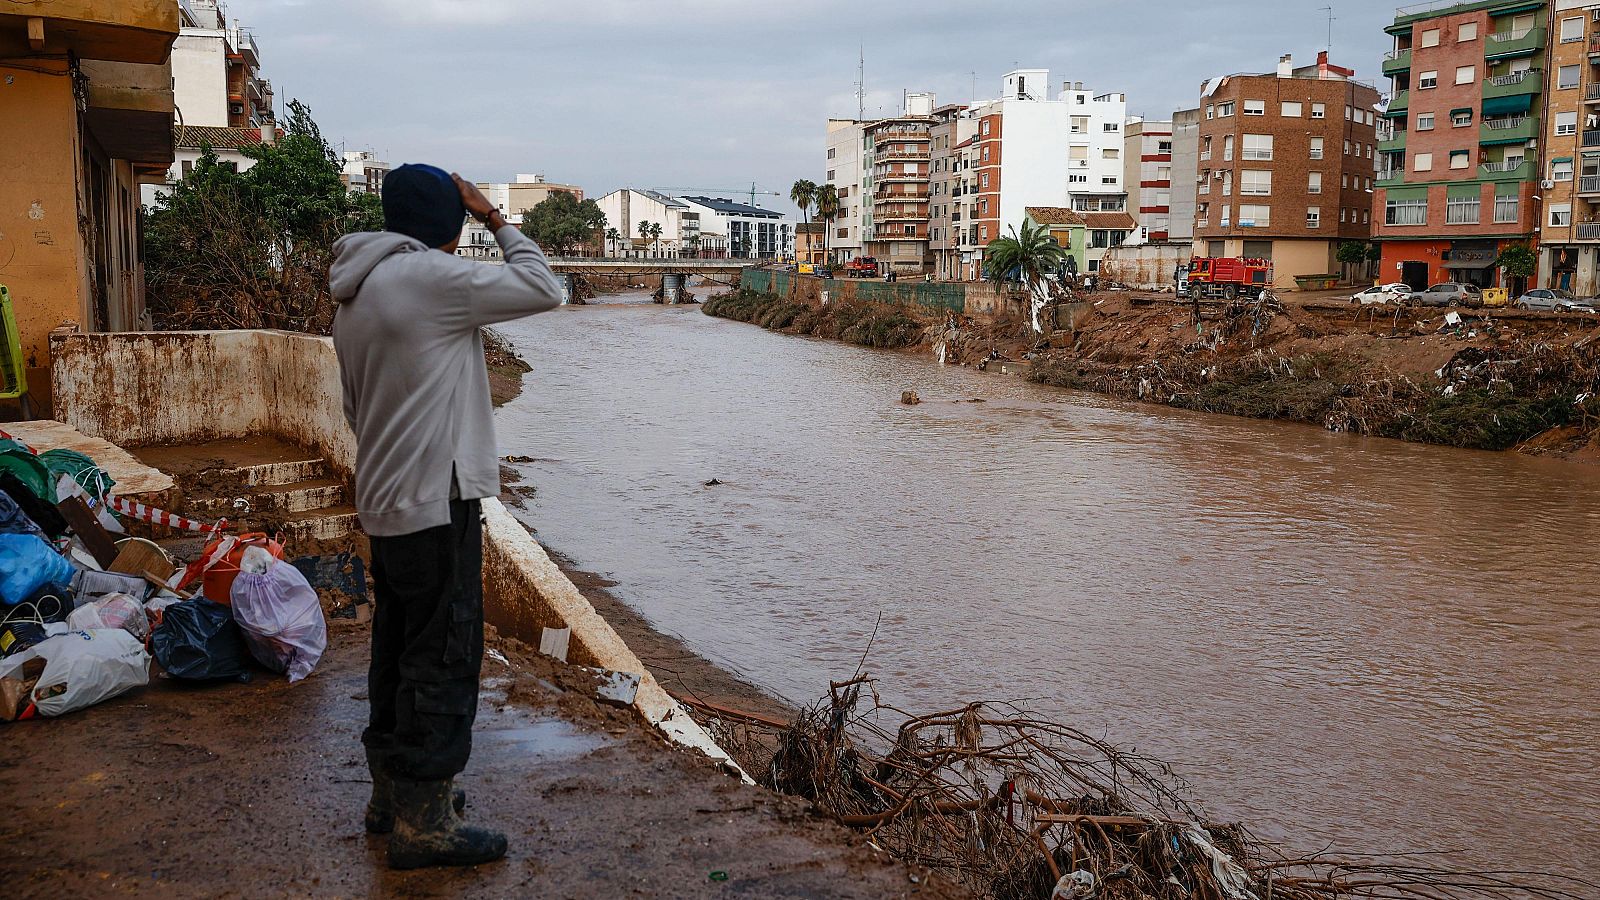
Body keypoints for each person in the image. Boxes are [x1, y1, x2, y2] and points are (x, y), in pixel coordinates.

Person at [329, 164, 564, 870]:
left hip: (386, 497)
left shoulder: (357, 292)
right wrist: (496, 216)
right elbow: (545, 287)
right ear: (448, 224)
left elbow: (351, 408)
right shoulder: (429, 280)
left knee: (396, 651)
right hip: (438, 500)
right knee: (444, 652)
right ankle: (425, 824)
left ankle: (390, 797)